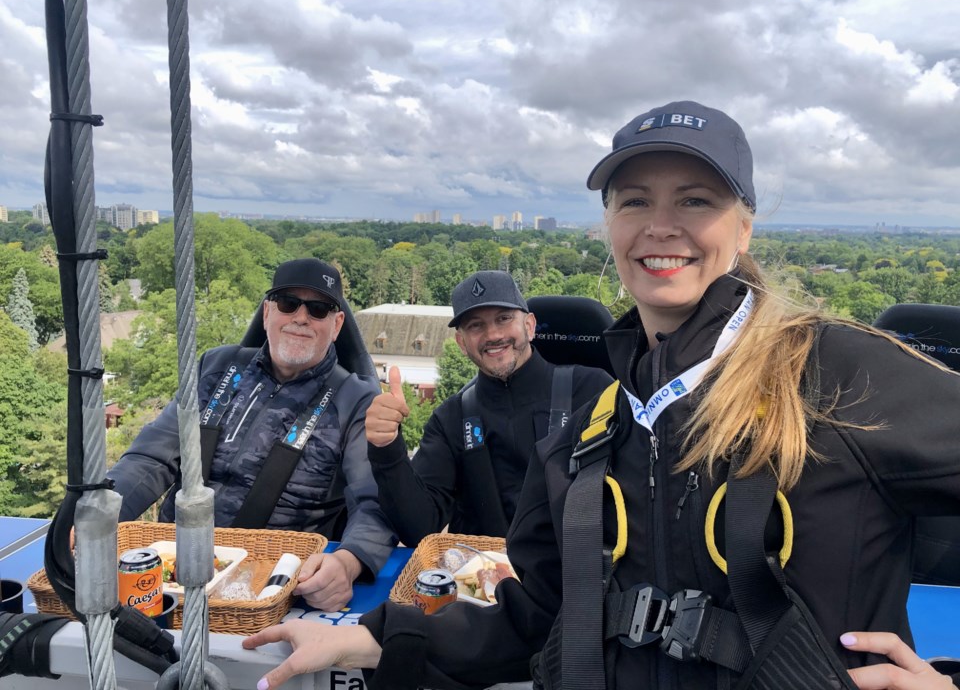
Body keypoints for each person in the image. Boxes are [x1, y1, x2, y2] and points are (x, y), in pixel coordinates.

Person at [244, 102, 960, 689]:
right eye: (634, 201)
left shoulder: (834, 375)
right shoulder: (593, 432)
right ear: (609, 230)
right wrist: (358, 642)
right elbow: (540, 620)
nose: (661, 225)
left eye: (696, 200)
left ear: (744, 228)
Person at [108, 258, 396, 611]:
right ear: (267, 314)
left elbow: (374, 502)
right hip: (173, 566)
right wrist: (101, 511)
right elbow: (152, 457)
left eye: (318, 309)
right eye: (288, 304)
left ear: (337, 325)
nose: (301, 317)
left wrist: (348, 563)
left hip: (272, 585)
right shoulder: (216, 368)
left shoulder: (356, 400)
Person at [365, 270, 613, 546]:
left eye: (504, 319)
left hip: (580, 576)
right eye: (475, 326)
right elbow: (417, 527)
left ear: (530, 326)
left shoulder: (593, 390)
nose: (493, 334)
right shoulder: (450, 419)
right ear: (461, 343)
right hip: (484, 580)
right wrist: (386, 448)